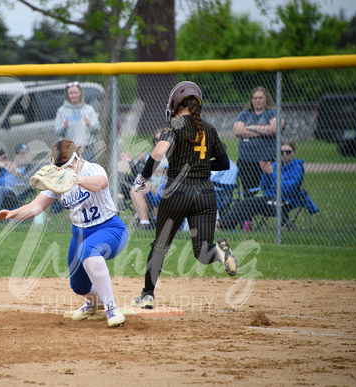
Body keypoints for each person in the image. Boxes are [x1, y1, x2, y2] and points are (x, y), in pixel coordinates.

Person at [0, 139, 128, 328]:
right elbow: (35, 207)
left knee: (88, 252)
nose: (63, 170)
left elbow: (99, 184)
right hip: (80, 233)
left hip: (110, 229)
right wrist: (11, 214)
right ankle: (94, 303)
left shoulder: (92, 169)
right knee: (79, 286)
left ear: (78, 157)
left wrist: (76, 178)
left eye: (67, 165)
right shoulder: (57, 179)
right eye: (60, 167)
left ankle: (111, 307)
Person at [131, 81, 239, 310]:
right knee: (202, 252)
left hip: (177, 192)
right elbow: (223, 163)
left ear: (175, 103)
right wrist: (198, 163)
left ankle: (148, 295)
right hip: (206, 194)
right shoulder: (209, 128)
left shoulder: (175, 124)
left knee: (160, 245)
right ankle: (220, 253)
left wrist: (142, 178)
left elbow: (159, 152)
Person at [218, 141, 318, 230]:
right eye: (281, 152)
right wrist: (265, 174)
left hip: (286, 200)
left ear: (294, 152)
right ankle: (226, 225)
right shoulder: (275, 165)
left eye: (288, 152)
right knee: (244, 202)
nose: (284, 154)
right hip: (270, 198)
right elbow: (264, 186)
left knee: (250, 203)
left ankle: (220, 224)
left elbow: (285, 189)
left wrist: (271, 174)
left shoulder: (297, 168)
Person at [233, 86, 286, 198]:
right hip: (247, 161)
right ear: (251, 100)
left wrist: (250, 127)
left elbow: (274, 128)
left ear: (266, 99)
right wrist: (263, 131)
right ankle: (248, 213)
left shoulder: (272, 113)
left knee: (272, 191)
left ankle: (275, 211)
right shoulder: (244, 114)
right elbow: (237, 130)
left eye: (260, 98)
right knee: (249, 194)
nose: (257, 101)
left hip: (268, 160)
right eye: (255, 98)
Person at [128, 131, 168, 229]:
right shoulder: (149, 155)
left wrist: (161, 170)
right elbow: (141, 172)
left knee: (160, 188)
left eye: (161, 139)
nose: (158, 142)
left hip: (165, 183)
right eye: (156, 139)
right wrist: (134, 161)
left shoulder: (172, 154)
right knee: (135, 190)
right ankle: (145, 223)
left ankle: (157, 222)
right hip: (151, 183)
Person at [54, 81, 101, 162]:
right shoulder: (62, 110)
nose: (74, 95)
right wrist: (64, 127)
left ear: (80, 93)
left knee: (87, 173)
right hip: (69, 150)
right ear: (67, 95)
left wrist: (89, 124)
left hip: (86, 149)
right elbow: (56, 131)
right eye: (71, 93)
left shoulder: (88, 109)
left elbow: (98, 129)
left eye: (76, 92)